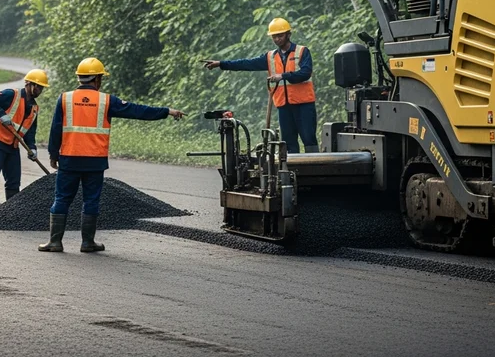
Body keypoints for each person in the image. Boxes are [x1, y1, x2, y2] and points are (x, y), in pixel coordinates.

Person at [38, 58, 185, 253]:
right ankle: (87, 243)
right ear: (98, 79)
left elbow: (55, 129)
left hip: (69, 158)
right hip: (95, 161)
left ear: (80, 78)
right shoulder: (106, 101)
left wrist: (53, 154)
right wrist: (167, 111)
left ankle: (55, 242)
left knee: (62, 199)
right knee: (91, 200)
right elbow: (137, 110)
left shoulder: (64, 98)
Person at [203, 18, 317, 156]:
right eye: (274, 36)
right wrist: (221, 64)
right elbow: (246, 64)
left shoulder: (302, 51)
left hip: (304, 105)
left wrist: (283, 76)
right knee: (288, 142)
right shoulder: (270, 57)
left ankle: (316, 169)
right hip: (283, 106)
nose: (277, 39)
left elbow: (305, 73)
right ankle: (292, 172)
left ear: (288, 34)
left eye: (280, 35)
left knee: (309, 139)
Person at [0, 69, 49, 215]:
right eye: (38, 86)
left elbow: (30, 131)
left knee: (14, 180)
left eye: (41, 87)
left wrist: (32, 148)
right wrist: (2, 115)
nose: (39, 90)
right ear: (29, 84)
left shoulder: (34, 108)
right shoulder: (12, 94)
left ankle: (11, 212)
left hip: (12, 145)